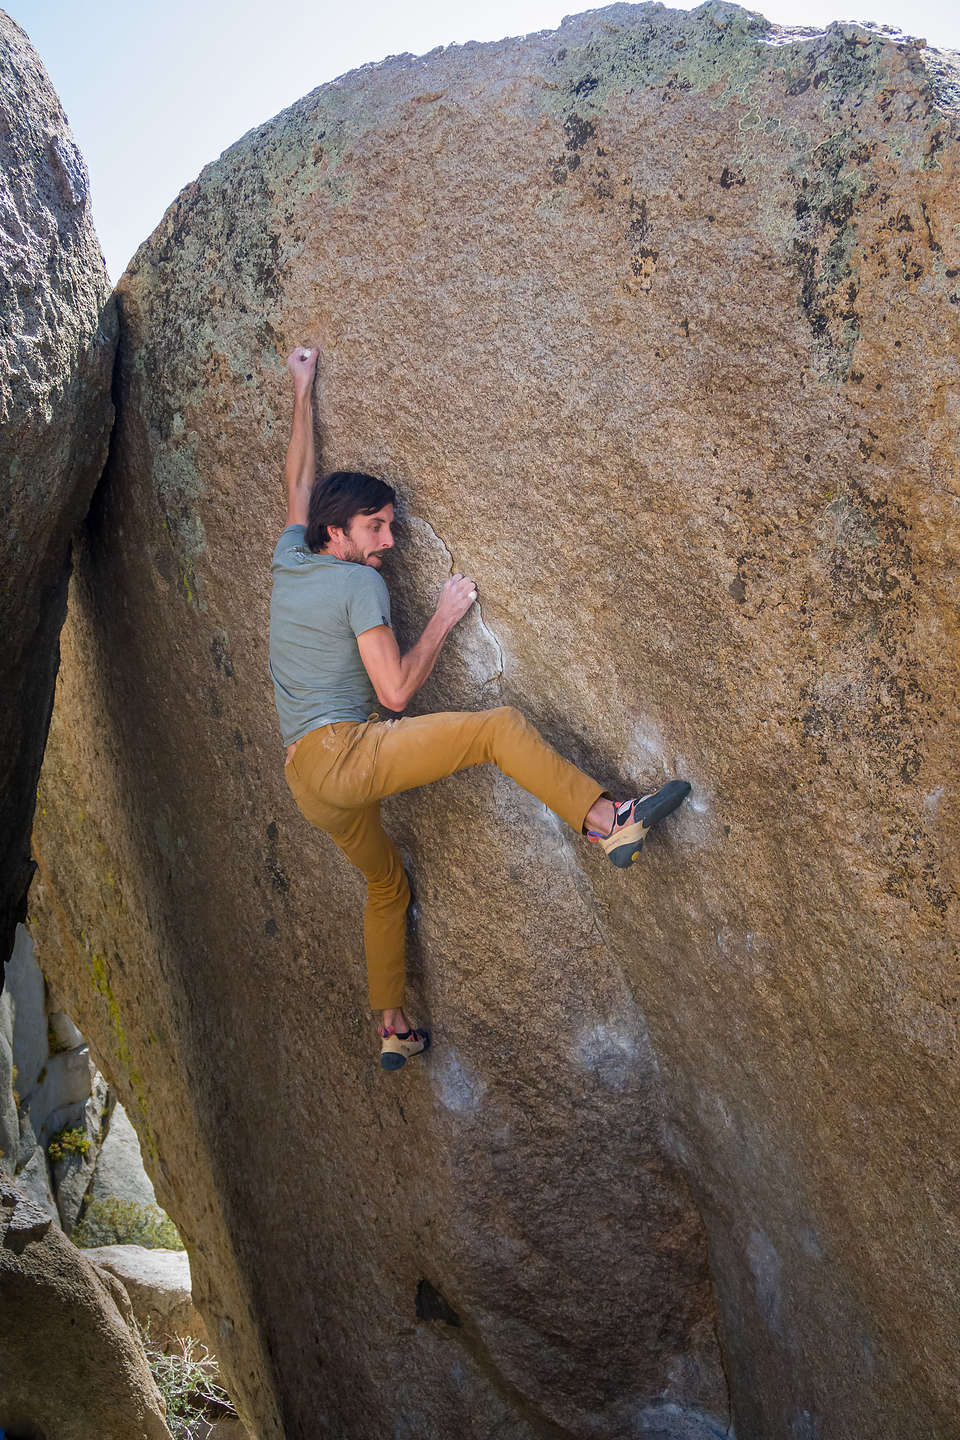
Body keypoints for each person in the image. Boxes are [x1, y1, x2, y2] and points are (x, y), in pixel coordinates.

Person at [270, 346, 691, 1071]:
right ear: (337, 535)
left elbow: (299, 480)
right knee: (498, 729)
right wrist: (442, 615)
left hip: (306, 781)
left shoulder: (291, 554)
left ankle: (392, 1024)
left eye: (390, 526)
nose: (389, 542)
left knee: (384, 884)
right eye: (377, 528)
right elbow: (396, 694)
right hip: (346, 753)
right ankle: (607, 822)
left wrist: (301, 390)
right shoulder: (358, 587)